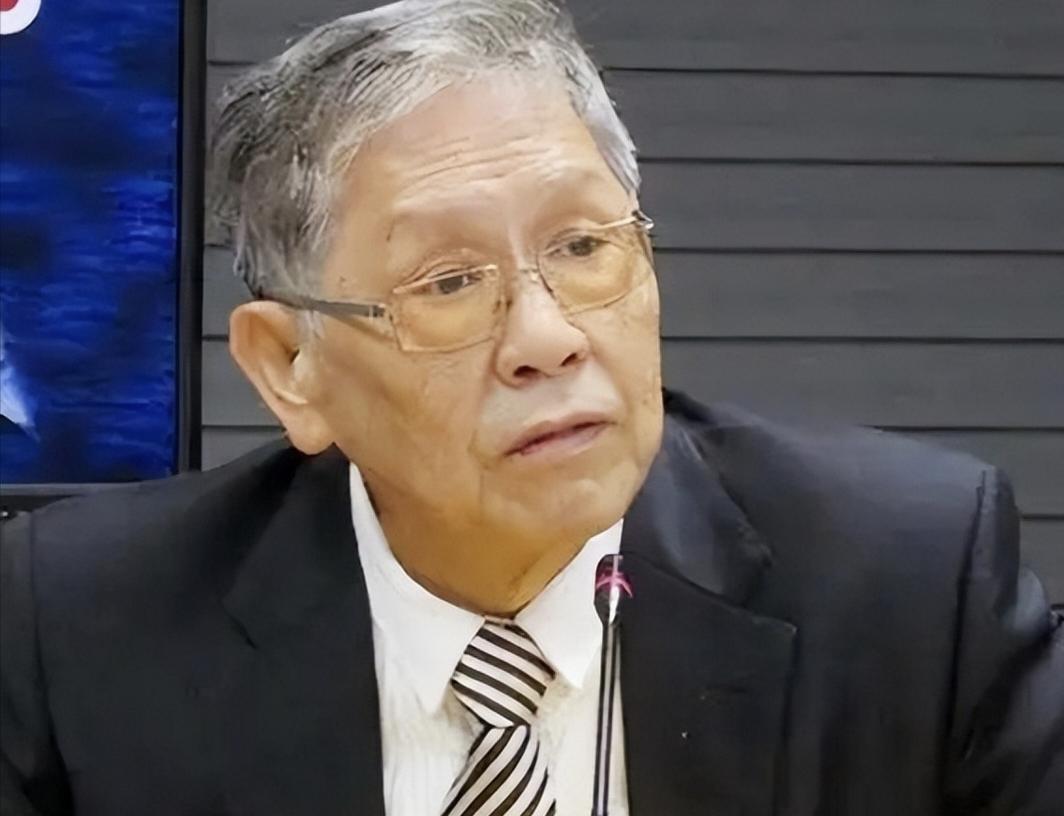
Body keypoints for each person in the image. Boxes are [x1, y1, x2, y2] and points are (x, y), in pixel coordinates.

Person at [2, 1, 1061, 813]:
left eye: (584, 246)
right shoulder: (79, 633)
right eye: (449, 283)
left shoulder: (908, 589)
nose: (548, 338)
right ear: (290, 368)